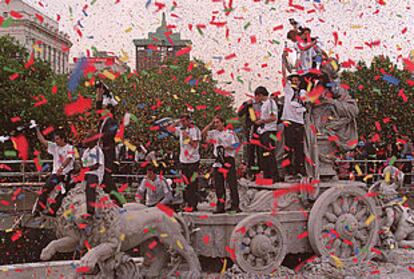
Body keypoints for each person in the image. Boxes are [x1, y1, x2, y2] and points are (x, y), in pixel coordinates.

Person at [202, 116, 240, 213]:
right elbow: (203, 134)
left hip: (228, 158)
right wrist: (210, 124)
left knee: (231, 183)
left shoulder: (230, 133)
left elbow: (237, 145)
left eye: (218, 122)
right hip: (218, 159)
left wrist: (227, 147)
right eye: (215, 122)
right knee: (218, 184)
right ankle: (220, 206)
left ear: (223, 123)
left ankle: (235, 205)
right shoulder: (214, 133)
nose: (216, 124)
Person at [33, 128, 74, 216]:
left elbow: (69, 158)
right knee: (46, 188)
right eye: (55, 139)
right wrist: (36, 129)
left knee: (64, 193)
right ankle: (39, 209)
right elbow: (42, 140)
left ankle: (53, 210)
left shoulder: (70, 148)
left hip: (66, 174)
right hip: (56, 174)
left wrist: (62, 167)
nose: (56, 141)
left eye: (58, 139)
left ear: (63, 139)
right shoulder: (55, 146)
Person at [96, 81, 124, 207]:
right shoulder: (104, 120)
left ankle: (118, 201)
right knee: (103, 176)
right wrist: (99, 93)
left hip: (108, 151)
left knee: (107, 176)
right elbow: (97, 106)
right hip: (102, 151)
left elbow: (108, 135)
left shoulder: (112, 121)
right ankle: (111, 200)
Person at [167, 113, 201, 211]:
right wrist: (177, 122)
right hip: (183, 160)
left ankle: (193, 204)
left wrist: (187, 137)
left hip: (193, 160)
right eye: (182, 121)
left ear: (189, 120)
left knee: (193, 183)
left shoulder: (195, 130)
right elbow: (169, 129)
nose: (183, 123)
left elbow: (194, 145)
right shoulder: (181, 130)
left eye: (184, 120)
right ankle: (187, 203)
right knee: (185, 183)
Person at [281, 67, 307, 178]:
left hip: (299, 122)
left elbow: (306, 103)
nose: (295, 82)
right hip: (289, 120)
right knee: (288, 147)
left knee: (299, 148)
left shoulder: (303, 92)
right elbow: (283, 75)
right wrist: (283, 61)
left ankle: (299, 170)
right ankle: (288, 171)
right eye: (293, 80)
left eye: (297, 80)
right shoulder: (288, 90)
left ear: (300, 82)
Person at [254, 86, 281, 182]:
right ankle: (267, 175)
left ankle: (274, 176)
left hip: (270, 131)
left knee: (269, 153)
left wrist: (261, 121)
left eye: (256, 96)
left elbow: (273, 118)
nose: (255, 99)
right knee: (264, 154)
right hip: (263, 131)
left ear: (260, 95)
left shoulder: (270, 102)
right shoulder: (264, 104)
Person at [237, 94, 262, 178]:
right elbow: (240, 113)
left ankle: (259, 170)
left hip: (261, 129)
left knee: (260, 151)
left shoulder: (264, 104)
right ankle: (251, 171)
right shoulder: (250, 104)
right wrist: (246, 105)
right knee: (250, 150)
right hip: (250, 129)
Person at [80, 133, 105, 217]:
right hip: (87, 172)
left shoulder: (97, 150)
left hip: (95, 174)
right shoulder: (86, 151)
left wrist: (85, 169)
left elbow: (96, 165)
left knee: (90, 187)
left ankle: (90, 211)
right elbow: (84, 164)